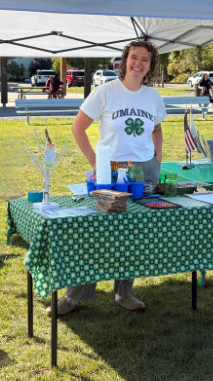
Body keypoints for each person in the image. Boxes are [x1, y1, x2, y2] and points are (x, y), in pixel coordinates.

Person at [49, 40, 166, 316]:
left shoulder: (153, 96)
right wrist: (95, 161)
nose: (138, 63)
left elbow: (157, 130)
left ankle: (123, 292)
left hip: (144, 171)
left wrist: (157, 162)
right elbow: (78, 128)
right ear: (124, 60)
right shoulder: (105, 92)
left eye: (145, 59)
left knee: (134, 234)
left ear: (151, 65)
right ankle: (74, 296)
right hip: (110, 172)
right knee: (94, 232)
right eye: (134, 57)